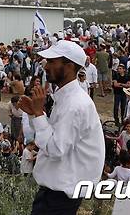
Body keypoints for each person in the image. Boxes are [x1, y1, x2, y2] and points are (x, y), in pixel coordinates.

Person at [18, 39, 104, 215]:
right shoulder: (67, 98)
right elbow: (54, 138)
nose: (46, 66)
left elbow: (56, 148)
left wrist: (39, 114)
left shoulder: (75, 104)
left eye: (52, 61)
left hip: (60, 197)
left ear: (70, 66)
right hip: (57, 193)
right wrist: (35, 114)